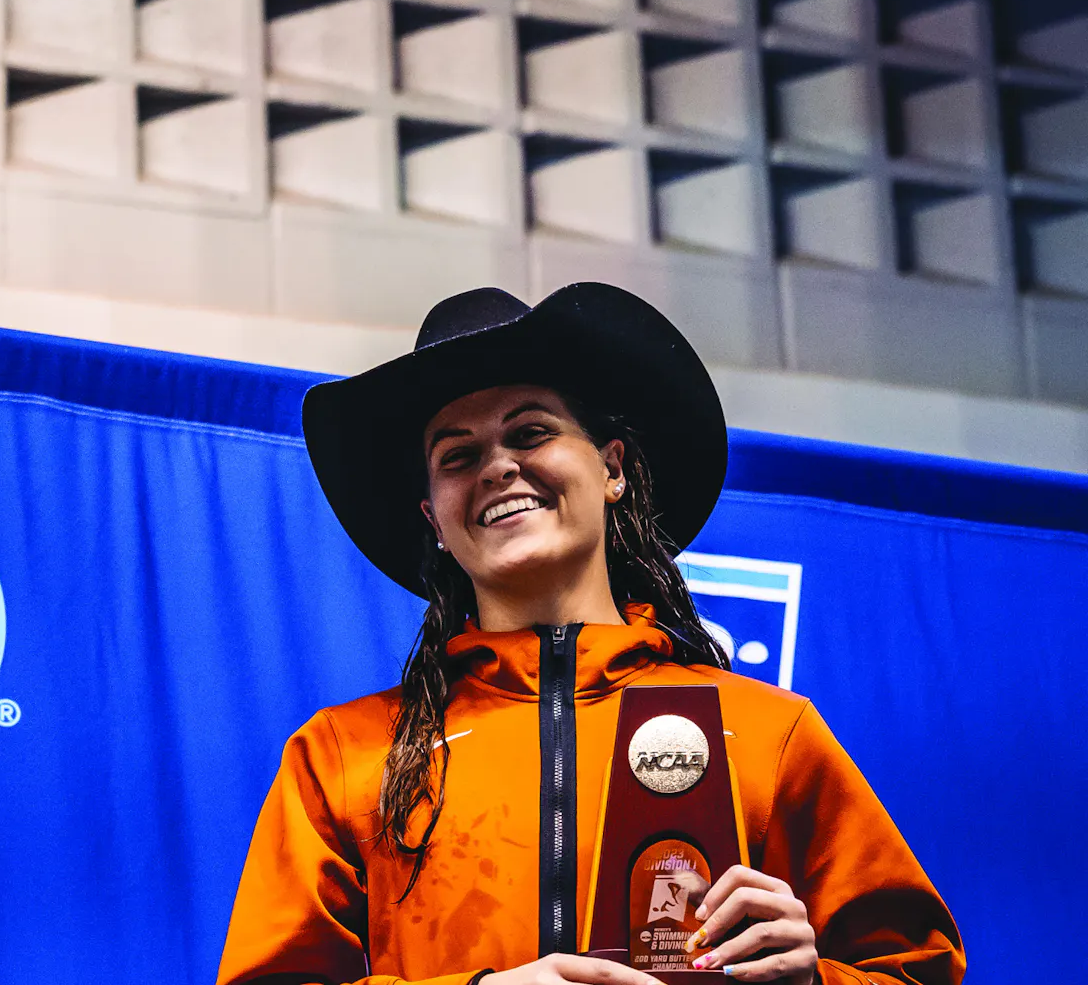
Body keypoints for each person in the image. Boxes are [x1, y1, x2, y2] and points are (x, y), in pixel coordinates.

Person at [216, 284, 964, 985]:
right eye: (458, 456)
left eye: (532, 432)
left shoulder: (767, 733)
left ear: (613, 468)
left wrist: (813, 979)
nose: (500, 467)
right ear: (432, 520)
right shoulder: (344, 756)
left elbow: (916, 969)